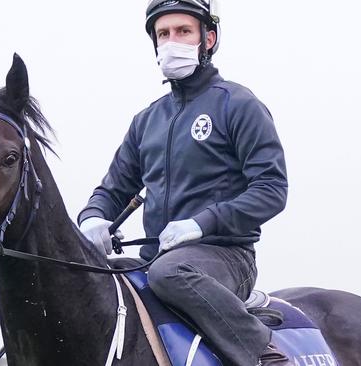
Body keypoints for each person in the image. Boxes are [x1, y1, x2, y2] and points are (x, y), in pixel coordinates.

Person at [78, 1, 290, 365]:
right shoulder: (146, 120)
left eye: (183, 31)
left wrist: (200, 224)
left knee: (171, 270)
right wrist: (92, 219)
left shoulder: (237, 104)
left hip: (225, 256)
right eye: (163, 34)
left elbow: (272, 188)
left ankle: (264, 353)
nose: (171, 41)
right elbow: (111, 190)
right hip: (154, 260)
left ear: (208, 39)